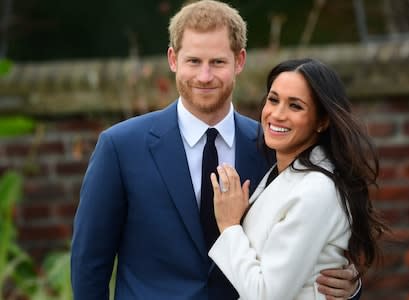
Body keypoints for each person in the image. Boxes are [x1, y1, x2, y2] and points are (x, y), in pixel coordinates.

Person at [70, 1, 360, 299]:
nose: (205, 76)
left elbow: (303, 249)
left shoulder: (273, 146)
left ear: (239, 61)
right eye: (193, 61)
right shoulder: (121, 147)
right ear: (173, 59)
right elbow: (89, 263)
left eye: (218, 62)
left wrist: (350, 289)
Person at [208, 58, 390, 299]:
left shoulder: (317, 189)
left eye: (295, 106)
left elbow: (267, 294)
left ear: (322, 121)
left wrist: (229, 226)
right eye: (273, 100)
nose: (277, 114)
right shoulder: (278, 169)